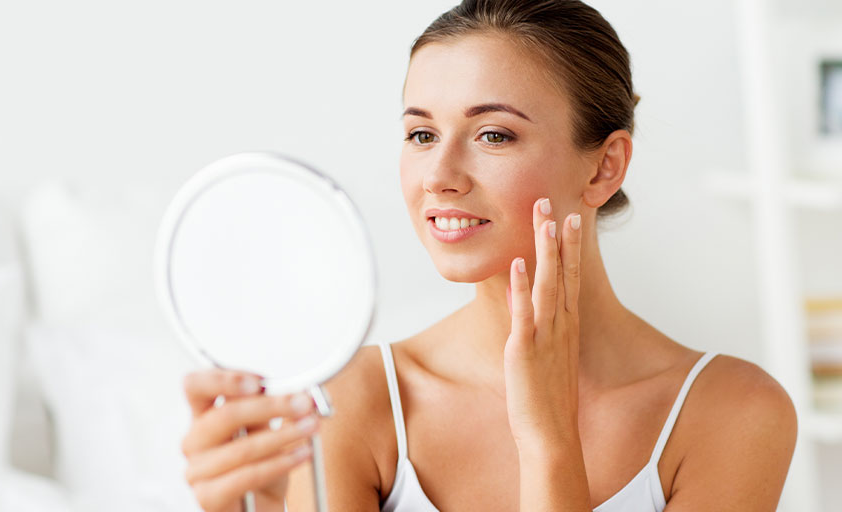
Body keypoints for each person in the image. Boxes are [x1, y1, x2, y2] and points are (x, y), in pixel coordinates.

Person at [179, 1, 798, 510]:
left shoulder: (730, 412)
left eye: (493, 134)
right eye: (421, 134)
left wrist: (549, 442)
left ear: (606, 165)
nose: (439, 176)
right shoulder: (358, 400)